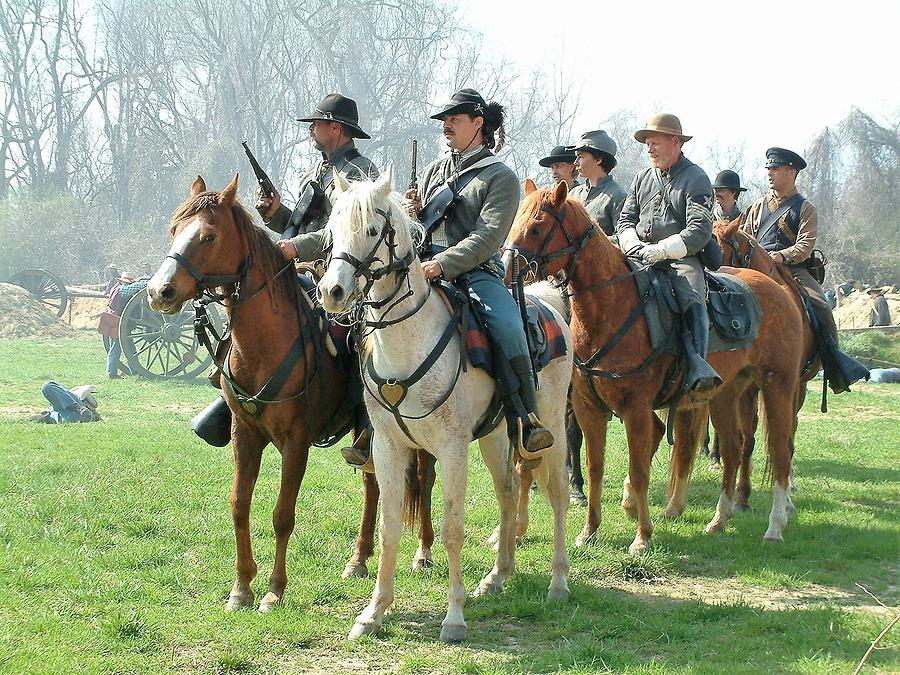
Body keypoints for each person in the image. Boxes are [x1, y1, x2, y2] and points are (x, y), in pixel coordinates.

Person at [399, 87, 554, 459]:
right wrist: (411, 213)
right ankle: (373, 424)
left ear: (478, 123)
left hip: (473, 271)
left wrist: (443, 264)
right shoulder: (436, 171)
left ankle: (525, 417)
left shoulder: (501, 177)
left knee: (507, 325)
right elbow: (417, 229)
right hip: (420, 267)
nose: (446, 125)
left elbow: (488, 237)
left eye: (454, 119)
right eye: (444, 120)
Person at [740, 147, 868, 393]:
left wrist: (780, 255)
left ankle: (834, 363)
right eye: (769, 169)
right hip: (756, 267)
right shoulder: (757, 206)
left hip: (793, 268)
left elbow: (805, 245)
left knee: (820, 305)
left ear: (791, 172)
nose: (770, 173)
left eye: (775, 169)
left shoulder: (805, 208)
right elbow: (747, 237)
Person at [616, 112, 721, 393]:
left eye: (655, 143)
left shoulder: (696, 178)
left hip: (681, 259)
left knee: (691, 296)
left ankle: (698, 366)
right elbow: (625, 219)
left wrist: (662, 250)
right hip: (638, 255)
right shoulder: (641, 178)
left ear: (676, 142)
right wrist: (631, 244)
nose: (649, 149)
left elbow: (699, 230)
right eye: (647, 144)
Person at [257, 93, 379, 262]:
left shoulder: (360, 172)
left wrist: (297, 247)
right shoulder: (312, 172)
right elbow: (302, 229)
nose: (311, 129)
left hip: (341, 275)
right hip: (306, 269)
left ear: (335, 128)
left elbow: (351, 231)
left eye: (315, 123)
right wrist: (275, 212)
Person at [568, 130, 627, 236]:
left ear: (598, 159)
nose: (575, 162)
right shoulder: (573, 194)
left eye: (581, 157)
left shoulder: (618, 197)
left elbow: (621, 237)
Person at [101, 273, 149, 379]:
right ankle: (111, 373)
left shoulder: (115, 288)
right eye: (127, 282)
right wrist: (145, 282)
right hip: (119, 325)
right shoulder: (122, 290)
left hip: (120, 324)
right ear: (123, 282)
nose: (128, 284)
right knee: (116, 348)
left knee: (130, 349)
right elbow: (138, 286)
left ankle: (135, 371)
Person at [28, 382, 100, 423]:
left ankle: (78, 408)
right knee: (67, 419)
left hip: (77, 403)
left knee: (47, 387)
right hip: (74, 415)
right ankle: (91, 416)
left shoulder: (57, 402)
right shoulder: (55, 417)